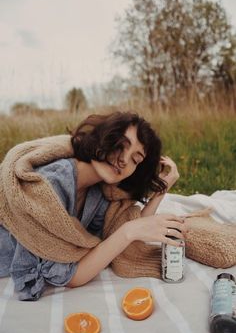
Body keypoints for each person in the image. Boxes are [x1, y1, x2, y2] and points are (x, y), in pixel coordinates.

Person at [0, 111, 187, 301]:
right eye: (120, 145)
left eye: (135, 159)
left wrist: (162, 188)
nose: (123, 159)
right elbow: (72, 276)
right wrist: (129, 231)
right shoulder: (53, 183)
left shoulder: (98, 191)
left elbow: (125, 235)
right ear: (103, 137)